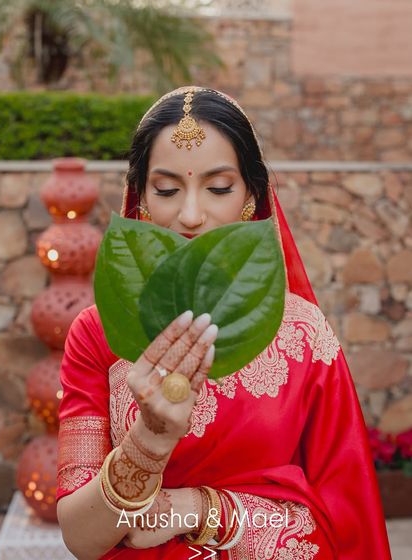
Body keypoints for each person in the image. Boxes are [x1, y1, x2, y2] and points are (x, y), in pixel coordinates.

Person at [56, 86, 392, 560]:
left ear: (252, 197)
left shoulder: (304, 337)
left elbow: (347, 526)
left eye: (218, 188)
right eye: (167, 189)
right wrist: (148, 442)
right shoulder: (97, 336)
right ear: (141, 199)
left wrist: (196, 509)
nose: (191, 215)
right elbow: (80, 537)